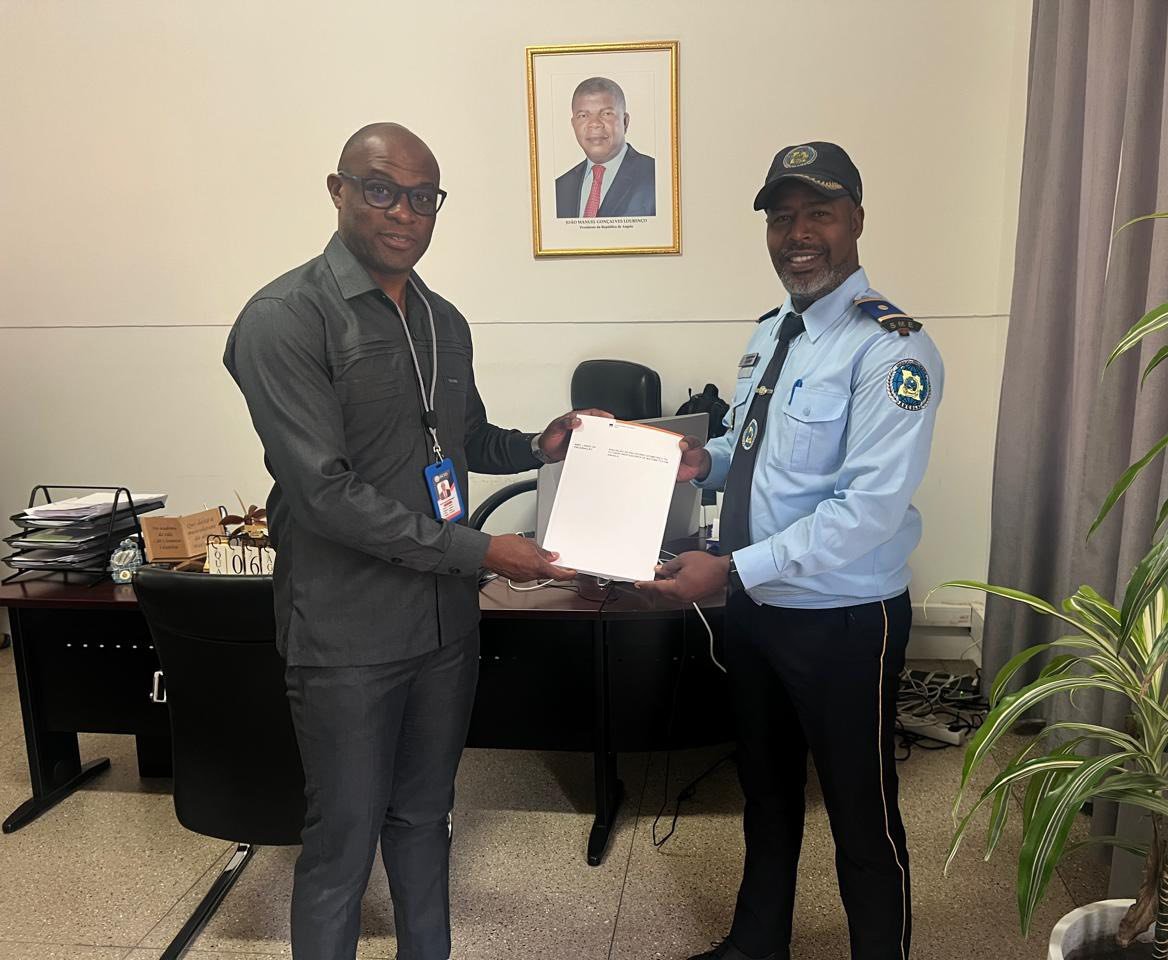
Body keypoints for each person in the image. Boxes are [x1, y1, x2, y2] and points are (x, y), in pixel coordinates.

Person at [223, 122, 606, 960]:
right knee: (342, 843)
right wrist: (483, 552)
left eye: (423, 197)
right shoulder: (284, 319)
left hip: (443, 629)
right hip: (347, 635)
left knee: (427, 820)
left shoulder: (442, 320)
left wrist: (539, 445)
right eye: (381, 190)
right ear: (338, 191)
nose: (404, 212)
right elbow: (325, 495)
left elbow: (460, 439)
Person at [637, 141, 944, 960]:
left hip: (844, 620)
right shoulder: (774, 332)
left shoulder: (892, 349)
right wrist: (703, 461)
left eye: (819, 213)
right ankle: (755, 944)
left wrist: (730, 568)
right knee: (766, 794)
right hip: (757, 611)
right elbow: (756, 451)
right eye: (782, 218)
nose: (797, 234)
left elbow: (866, 510)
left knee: (860, 813)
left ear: (856, 221)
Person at [554, 76, 657, 218]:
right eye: (583, 116)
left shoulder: (656, 176)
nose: (594, 124)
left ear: (625, 121)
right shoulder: (560, 187)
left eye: (606, 114)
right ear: (573, 124)